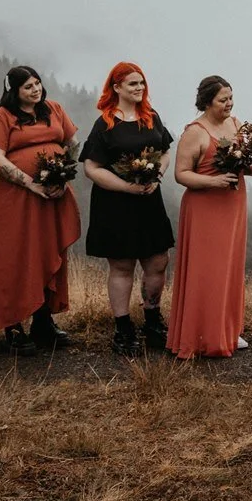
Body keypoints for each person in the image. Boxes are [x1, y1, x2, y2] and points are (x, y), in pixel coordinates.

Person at [0, 65, 82, 353]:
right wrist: (30, 183)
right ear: (14, 91)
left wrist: (62, 173)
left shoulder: (54, 109)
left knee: (47, 251)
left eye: (37, 83)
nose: (35, 89)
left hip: (52, 195)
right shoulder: (2, 116)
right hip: (16, 198)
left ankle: (43, 320)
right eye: (28, 86)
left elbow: (72, 143)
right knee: (15, 255)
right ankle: (12, 326)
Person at [79, 62, 177, 357]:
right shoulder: (105, 124)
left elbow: (165, 151)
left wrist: (157, 177)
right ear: (116, 88)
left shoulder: (151, 117)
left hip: (149, 200)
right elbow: (91, 167)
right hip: (116, 203)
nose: (139, 89)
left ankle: (152, 321)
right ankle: (123, 329)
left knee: (158, 260)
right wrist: (126, 187)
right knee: (122, 266)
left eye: (142, 83)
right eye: (133, 84)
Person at [168, 75, 249, 359]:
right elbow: (181, 174)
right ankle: (201, 334)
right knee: (207, 269)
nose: (229, 104)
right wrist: (214, 182)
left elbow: (245, 164)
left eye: (230, 97)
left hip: (233, 204)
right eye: (222, 100)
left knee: (229, 266)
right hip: (205, 208)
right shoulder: (196, 132)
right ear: (207, 102)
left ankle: (227, 330)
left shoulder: (236, 124)